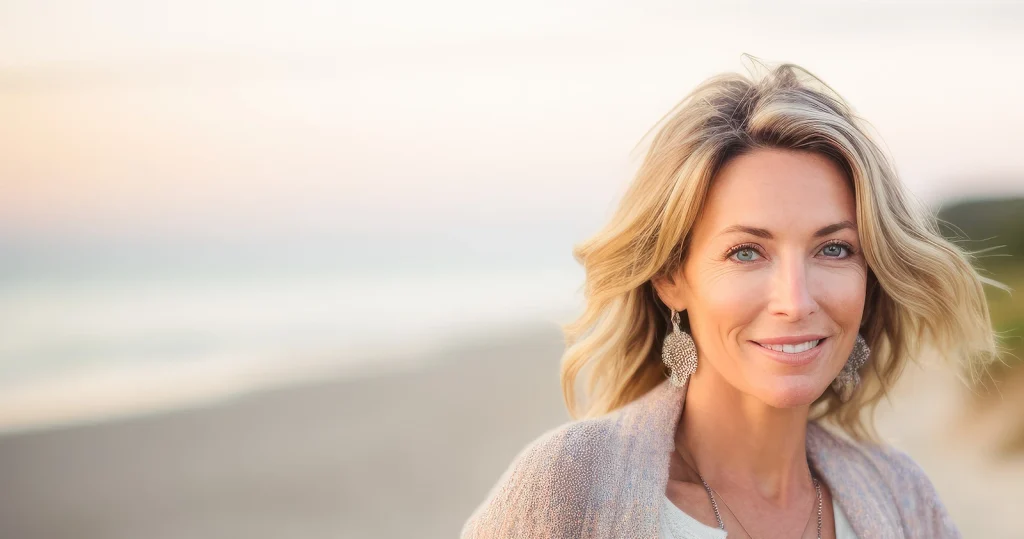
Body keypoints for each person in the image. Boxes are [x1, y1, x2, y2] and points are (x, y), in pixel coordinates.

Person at [460, 57, 1002, 538]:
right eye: (747, 252)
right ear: (671, 277)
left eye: (834, 249)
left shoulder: (901, 496)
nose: (795, 300)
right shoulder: (568, 491)